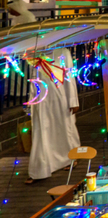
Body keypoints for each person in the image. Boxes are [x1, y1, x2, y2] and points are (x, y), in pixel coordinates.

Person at [26, 47, 80, 184]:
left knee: (64, 129)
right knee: (41, 133)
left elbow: (69, 77)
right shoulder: (33, 52)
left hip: (60, 98)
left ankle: (69, 158)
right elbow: (33, 79)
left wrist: (73, 100)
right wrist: (32, 101)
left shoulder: (63, 52)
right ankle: (40, 168)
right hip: (42, 100)